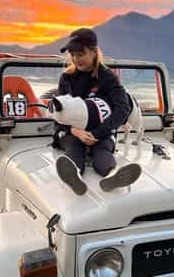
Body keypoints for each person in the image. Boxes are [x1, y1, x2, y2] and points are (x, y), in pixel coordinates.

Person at [54, 28, 141, 195]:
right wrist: (75, 131)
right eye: (72, 54)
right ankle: (73, 177)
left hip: (102, 131)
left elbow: (123, 109)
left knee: (103, 149)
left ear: (94, 52)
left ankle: (112, 174)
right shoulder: (67, 78)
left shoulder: (107, 77)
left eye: (80, 54)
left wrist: (97, 134)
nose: (75, 59)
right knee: (73, 147)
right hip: (72, 131)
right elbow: (59, 113)